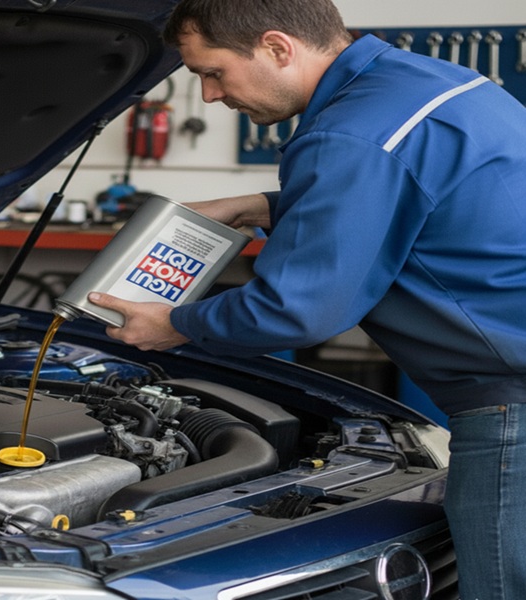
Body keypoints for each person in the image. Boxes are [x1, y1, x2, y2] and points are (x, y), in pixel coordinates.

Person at [86, 0, 526, 598]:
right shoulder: (433, 83)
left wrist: (178, 325)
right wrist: (266, 205)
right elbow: (425, 197)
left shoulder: (348, 133)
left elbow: (299, 309)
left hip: (513, 409)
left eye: (211, 72)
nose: (211, 96)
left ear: (277, 47)